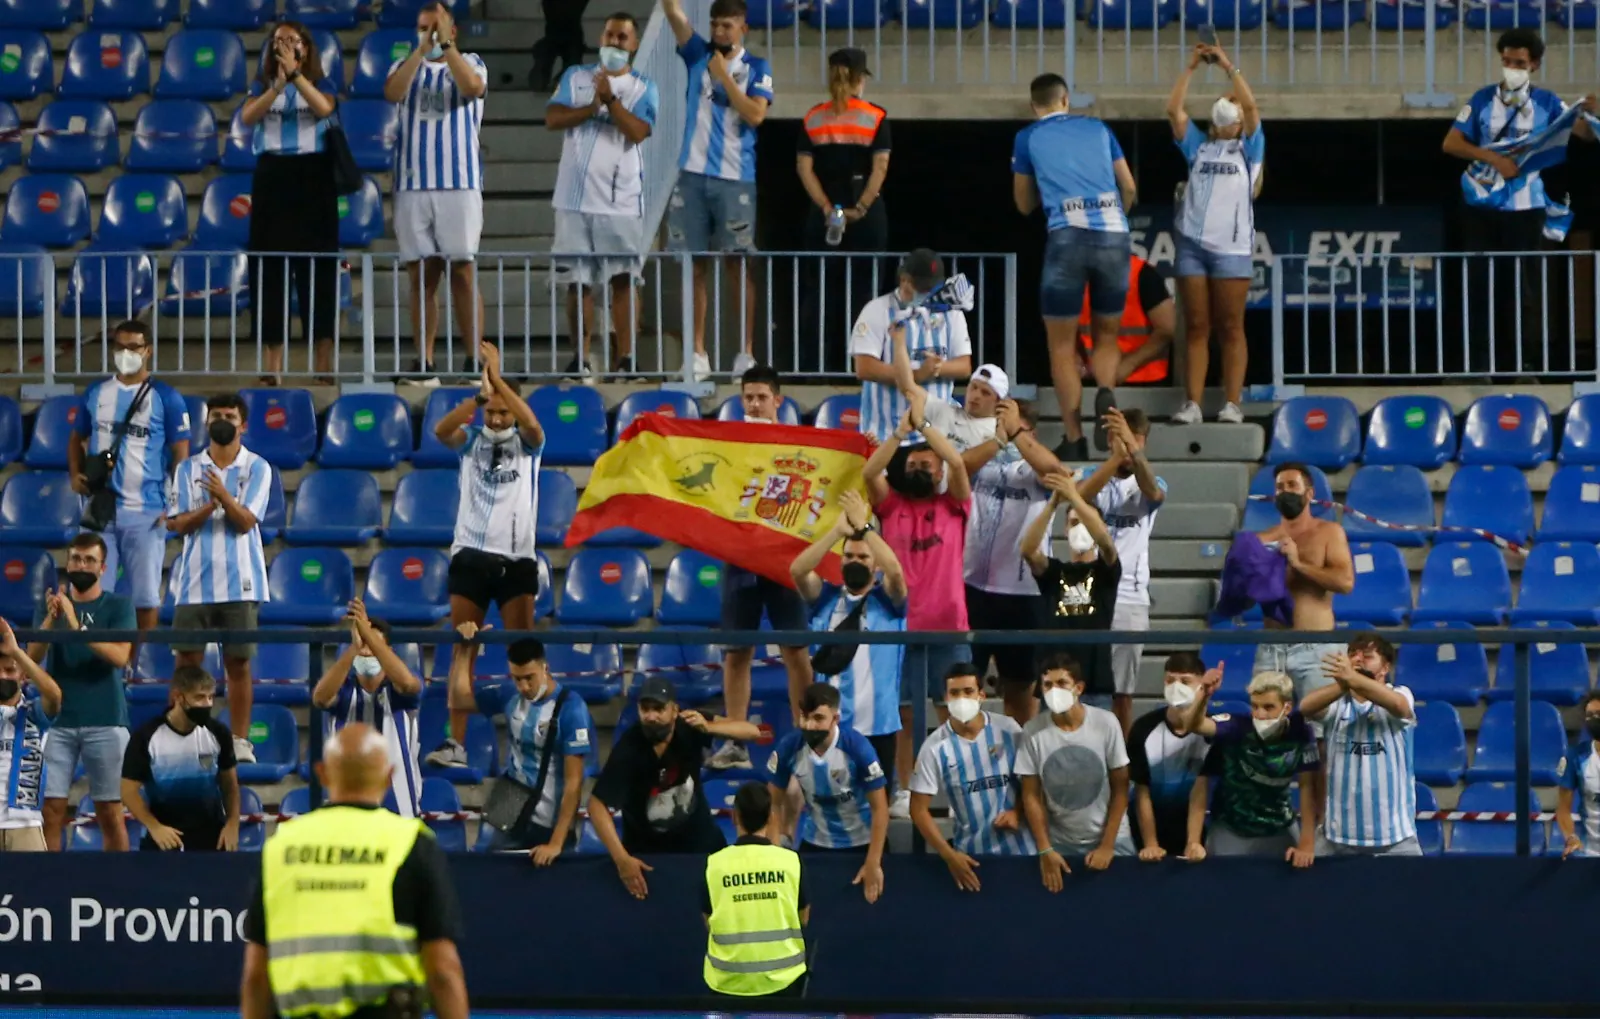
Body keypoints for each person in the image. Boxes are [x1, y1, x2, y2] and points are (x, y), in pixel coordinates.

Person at [240, 724, 469, 1019]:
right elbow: (442, 970)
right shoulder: (412, 842)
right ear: (389, 776)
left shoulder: (281, 846)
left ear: (322, 774)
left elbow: (256, 976)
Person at [1441, 28, 1595, 375]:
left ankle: (1522, 366)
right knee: (1480, 285)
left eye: (1519, 63)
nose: (1512, 67)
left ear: (1535, 65)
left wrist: (1590, 110)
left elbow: (1581, 133)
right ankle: (1478, 364)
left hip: (1526, 208)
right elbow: (1451, 143)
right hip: (1482, 204)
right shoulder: (1481, 99)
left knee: (1523, 290)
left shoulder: (1547, 101)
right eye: (1507, 61)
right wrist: (1493, 158)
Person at [426, 343, 545, 769]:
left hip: (517, 560)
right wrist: (480, 394)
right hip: (471, 556)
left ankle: (529, 740)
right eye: (491, 411)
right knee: (464, 646)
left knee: (523, 652)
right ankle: (454, 743)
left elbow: (530, 422)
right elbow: (441, 430)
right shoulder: (471, 440)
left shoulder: (530, 444)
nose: (496, 419)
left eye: (502, 412)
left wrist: (498, 379)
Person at [1011, 72, 1138, 458]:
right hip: (1115, 235)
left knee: (1062, 347)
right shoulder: (1098, 128)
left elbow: (1023, 203)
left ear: (1036, 106)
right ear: (1066, 99)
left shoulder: (1028, 137)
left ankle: (1074, 438)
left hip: (1066, 237)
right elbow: (1128, 187)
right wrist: (1117, 220)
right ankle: (1105, 391)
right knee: (1106, 336)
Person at [863, 397, 972, 810]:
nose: (922, 467)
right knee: (905, 716)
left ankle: (958, 787)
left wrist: (923, 427)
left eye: (929, 463)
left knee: (955, 713)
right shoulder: (891, 505)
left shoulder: (954, 504)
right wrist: (899, 435)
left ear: (941, 469)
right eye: (913, 464)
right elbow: (871, 471)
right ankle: (905, 788)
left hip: (949, 625)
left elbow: (960, 465)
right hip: (899, 627)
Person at [706, 365, 814, 771]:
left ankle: (809, 733)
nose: (753, 403)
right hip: (740, 561)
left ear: (777, 400)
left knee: (796, 652)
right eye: (747, 397)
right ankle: (734, 742)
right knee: (737, 654)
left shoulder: (800, 444)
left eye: (761, 397)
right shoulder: (728, 443)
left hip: (786, 559)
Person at [660, 0, 771, 381]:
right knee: (693, 264)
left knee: (738, 264)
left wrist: (723, 77)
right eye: (716, 25)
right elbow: (674, 14)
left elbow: (756, 115)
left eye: (728, 25)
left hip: (734, 177)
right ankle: (697, 353)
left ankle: (746, 353)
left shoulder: (757, 67)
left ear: (744, 28)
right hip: (690, 175)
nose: (720, 32)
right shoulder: (698, 54)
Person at [546, 12, 657, 380]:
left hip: (621, 202)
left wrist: (611, 102)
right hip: (573, 201)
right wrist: (591, 108)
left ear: (635, 44)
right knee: (576, 283)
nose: (614, 42)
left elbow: (639, 131)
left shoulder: (644, 87)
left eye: (622, 37)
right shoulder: (576, 76)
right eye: (610, 35)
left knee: (623, 280)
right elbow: (553, 119)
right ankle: (580, 359)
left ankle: (625, 359)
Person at [385, 1, 488, 384]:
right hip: (412, 184)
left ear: (453, 31)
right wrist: (421, 50)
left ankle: (474, 359)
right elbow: (393, 94)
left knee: (462, 271)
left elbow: (472, 87)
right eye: (421, 28)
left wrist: (446, 49)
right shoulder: (403, 67)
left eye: (434, 27)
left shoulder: (472, 62)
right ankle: (425, 361)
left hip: (459, 184)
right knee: (421, 276)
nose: (426, 34)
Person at [168, 394, 273, 766]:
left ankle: (240, 740)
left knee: (238, 664)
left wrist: (223, 496)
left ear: (243, 425)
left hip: (241, 581)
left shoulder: (258, 467)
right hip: (193, 581)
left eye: (229, 416)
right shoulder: (187, 469)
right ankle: (182, 737)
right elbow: (177, 523)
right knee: (187, 665)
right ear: (206, 422)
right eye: (216, 416)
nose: (222, 421)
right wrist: (211, 504)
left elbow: (246, 522)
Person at [589, 676, 761, 900]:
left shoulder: (690, 725)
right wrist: (622, 860)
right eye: (645, 709)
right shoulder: (629, 748)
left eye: (659, 709)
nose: (651, 716)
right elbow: (596, 805)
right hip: (649, 850)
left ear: (674, 710)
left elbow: (752, 732)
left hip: (698, 838)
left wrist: (709, 727)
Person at [68, 319, 190, 629]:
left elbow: (181, 453)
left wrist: (175, 502)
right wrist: (74, 474)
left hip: (146, 511)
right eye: (119, 346)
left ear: (148, 350)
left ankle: (134, 667)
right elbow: (75, 437)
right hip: (100, 509)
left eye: (133, 347)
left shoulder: (167, 398)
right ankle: (97, 664)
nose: (126, 352)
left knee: (145, 597)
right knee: (91, 592)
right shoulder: (96, 392)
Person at [1165, 43, 1263, 426]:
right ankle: (1192, 404)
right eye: (1224, 100)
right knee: (1196, 326)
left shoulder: (1250, 148)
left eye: (1233, 102)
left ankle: (1232, 403)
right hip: (1191, 246)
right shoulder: (1198, 147)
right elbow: (1174, 110)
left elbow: (1253, 108)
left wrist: (1227, 67)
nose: (1229, 103)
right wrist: (1190, 68)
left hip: (1232, 249)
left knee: (1231, 326)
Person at [239, 20, 339, 384]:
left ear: (306, 49)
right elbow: (248, 115)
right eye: (278, 40)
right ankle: (272, 368)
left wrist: (296, 77)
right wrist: (277, 86)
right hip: (273, 176)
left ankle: (323, 366)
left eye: (292, 40)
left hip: (314, 177)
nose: (284, 45)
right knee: (269, 273)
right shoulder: (261, 84)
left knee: (318, 274)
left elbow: (325, 109)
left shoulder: (321, 81)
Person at [790, 488, 908, 795]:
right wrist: (837, 532)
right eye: (849, 556)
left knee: (876, 806)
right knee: (833, 803)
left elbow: (895, 570)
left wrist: (866, 528)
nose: (855, 561)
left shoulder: (889, 602)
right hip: (831, 727)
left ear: (875, 563)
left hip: (878, 726)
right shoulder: (825, 599)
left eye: (863, 557)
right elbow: (798, 570)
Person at [30, 532, 135, 851]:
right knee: (50, 812)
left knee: (110, 812)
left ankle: (118, 888)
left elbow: (120, 657)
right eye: (76, 558)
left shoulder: (118, 605)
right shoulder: (51, 606)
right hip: (58, 721)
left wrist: (76, 627)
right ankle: (50, 886)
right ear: (67, 562)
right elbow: (30, 659)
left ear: (103, 568)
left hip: (106, 720)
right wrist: (51, 619)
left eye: (90, 559)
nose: (82, 564)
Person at [454, 632, 592, 859]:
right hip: (508, 810)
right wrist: (465, 649)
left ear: (545, 668)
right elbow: (459, 699)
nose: (524, 686)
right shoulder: (510, 694)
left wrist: (556, 843)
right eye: (517, 678)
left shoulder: (572, 708)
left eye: (530, 677)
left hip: (549, 822)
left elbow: (574, 782)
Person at [796, 47, 891, 362]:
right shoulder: (875, 116)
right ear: (860, 78)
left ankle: (815, 365)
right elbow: (879, 168)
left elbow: (804, 169)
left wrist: (826, 208)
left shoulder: (813, 117)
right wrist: (860, 209)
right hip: (866, 212)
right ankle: (863, 366)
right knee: (866, 293)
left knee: (819, 290)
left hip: (822, 212)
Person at [1077, 407, 1165, 736]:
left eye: (1134, 439)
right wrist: (1115, 458)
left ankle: (1122, 765)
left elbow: (1153, 493)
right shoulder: (1092, 474)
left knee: (1122, 694)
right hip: (1087, 594)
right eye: (1119, 437)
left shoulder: (1152, 479)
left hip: (1129, 598)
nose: (1127, 445)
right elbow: (1079, 498)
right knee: (1082, 686)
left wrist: (1133, 450)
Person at [1171, 669, 1318, 865]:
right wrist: (1204, 694)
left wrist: (1306, 844)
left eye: (1268, 707)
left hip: (1280, 828)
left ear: (1287, 707)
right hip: (1232, 830)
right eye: (1255, 706)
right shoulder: (1236, 728)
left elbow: (1307, 787)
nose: (1260, 714)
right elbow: (1194, 725)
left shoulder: (1300, 733)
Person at [908, 663, 1033, 891]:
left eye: (968, 691)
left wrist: (1018, 811)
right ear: (945, 697)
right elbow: (917, 808)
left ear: (981, 695)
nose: (961, 698)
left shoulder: (1009, 729)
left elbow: (1033, 782)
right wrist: (949, 855)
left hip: (1022, 853)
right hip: (972, 860)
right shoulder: (935, 746)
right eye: (955, 693)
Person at [1018, 654, 1134, 888]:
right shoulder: (1032, 731)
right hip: (1061, 843)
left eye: (1062, 683)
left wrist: (1107, 845)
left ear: (1078, 688)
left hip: (1113, 839)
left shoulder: (1107, 722)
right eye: (1048, 685)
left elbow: (1121, 787)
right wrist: (1045, 848)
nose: (1054, 690)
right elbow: (1030, 794)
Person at [766, 683, 888, 903]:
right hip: (816, 843)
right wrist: (776, 852)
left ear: (836, 719)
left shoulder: (858, 748)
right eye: (805, 717)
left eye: (818, 718)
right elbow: (773, 804)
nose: (810, 726)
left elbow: (880, 809)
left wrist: (873, 862)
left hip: (862, 844)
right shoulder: (789, 748)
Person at [1301, 635, 1420, 856]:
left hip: (1395, 839)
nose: (1357, 660)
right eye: (1352, 655)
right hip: (1336, 839)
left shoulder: (1401, 693)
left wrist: (1353, 679)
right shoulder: (1338, 704)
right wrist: (1344, 683)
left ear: (1385, 667)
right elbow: (1307, 706)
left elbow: (1398, 706)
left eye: (1367, 656)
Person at [1253, 462, 1354, 716]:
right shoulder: (1261, 539)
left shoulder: (1329, 532)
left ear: (1309, 493)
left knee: (1323, 726)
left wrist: (1298, 564)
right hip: (1271, 648)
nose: (1285, 491)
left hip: (1317, 647)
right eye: (1279, 487)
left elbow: (1344, 583)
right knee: (1267, 725)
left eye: (1292, 485)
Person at [311, 600, 424, 818]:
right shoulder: (343, 690)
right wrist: (354, 647)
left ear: (386, 651)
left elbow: (409, 685)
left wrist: (367, 633)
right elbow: (320, 698)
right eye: (363, 645)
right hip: (347, 808)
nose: (366, 652)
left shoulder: (399, 687)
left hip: (400, 806)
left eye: (373, 647)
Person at [1020, 470, 1120, 715]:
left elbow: (1106, 543)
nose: (1080, 529)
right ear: (1064, 530)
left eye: (1086, 523)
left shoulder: (1105, 572)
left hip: (1094, 680)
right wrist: (1054, 503)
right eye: (1074, 523)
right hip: (1054, 680)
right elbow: (1028, 550)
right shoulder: (1054, 572)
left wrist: (1074, 497)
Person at [852, 249, 973, 445]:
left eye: (932, 287)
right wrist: (916, 375)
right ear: (905, 279)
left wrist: (937, 368)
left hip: (937, 435)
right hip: (885, 435)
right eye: (923, 288)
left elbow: (964, 365)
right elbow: (864, 367)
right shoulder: (877, 310)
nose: (928, 294)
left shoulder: (952, 314)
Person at [701, 782, 809, 999]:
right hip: (784, 981)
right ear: (771, 818)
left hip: (726, 983)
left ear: (734, 816)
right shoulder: (791, 862)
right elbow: (803, 919)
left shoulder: (714, 864)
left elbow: (708, 920)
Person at [120, 666, 240, 853]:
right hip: (164, 836)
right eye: (199, 697)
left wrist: (232, 824)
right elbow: (127, 790)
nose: (207, 704)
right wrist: (154, 827)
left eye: (210, 697)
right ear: (178, 697)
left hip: (211, 835)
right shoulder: (146, 736)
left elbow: (230, 785)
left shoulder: (219, 733)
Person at [1128, 652, 1215, 860]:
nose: (1176, 686)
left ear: (1200, 686)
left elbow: (1200, 790)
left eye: (1185, 681)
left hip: (1190, 822)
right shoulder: (1143, 729)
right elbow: (1142, 791)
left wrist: (1193, 842)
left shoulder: (1210, 732)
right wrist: (1151, 844)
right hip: (1148, 822)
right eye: (1170, 680)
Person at [0, 618, 62, 852]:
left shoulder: (35, 714)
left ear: (23, 676)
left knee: (35, 887)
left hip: (25, 823)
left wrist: (16, 652)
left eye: (9, 670)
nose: (3, 676)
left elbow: (55, 695)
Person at [1074, 255, 1178, 395]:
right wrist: (1075, 358)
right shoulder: (1075, 275)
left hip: (1143, 381)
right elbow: (1062, 326)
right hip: (1090, 381)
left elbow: (1167, 328)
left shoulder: (1142, 273)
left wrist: (1129, 364)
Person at [1556, 691, 1600, 859]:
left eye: (1599, 714)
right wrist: (1571, 837)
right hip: (1589, 854)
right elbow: (1563, 810)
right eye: (1590, 716)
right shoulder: (1576, 757)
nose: (1594, 720)